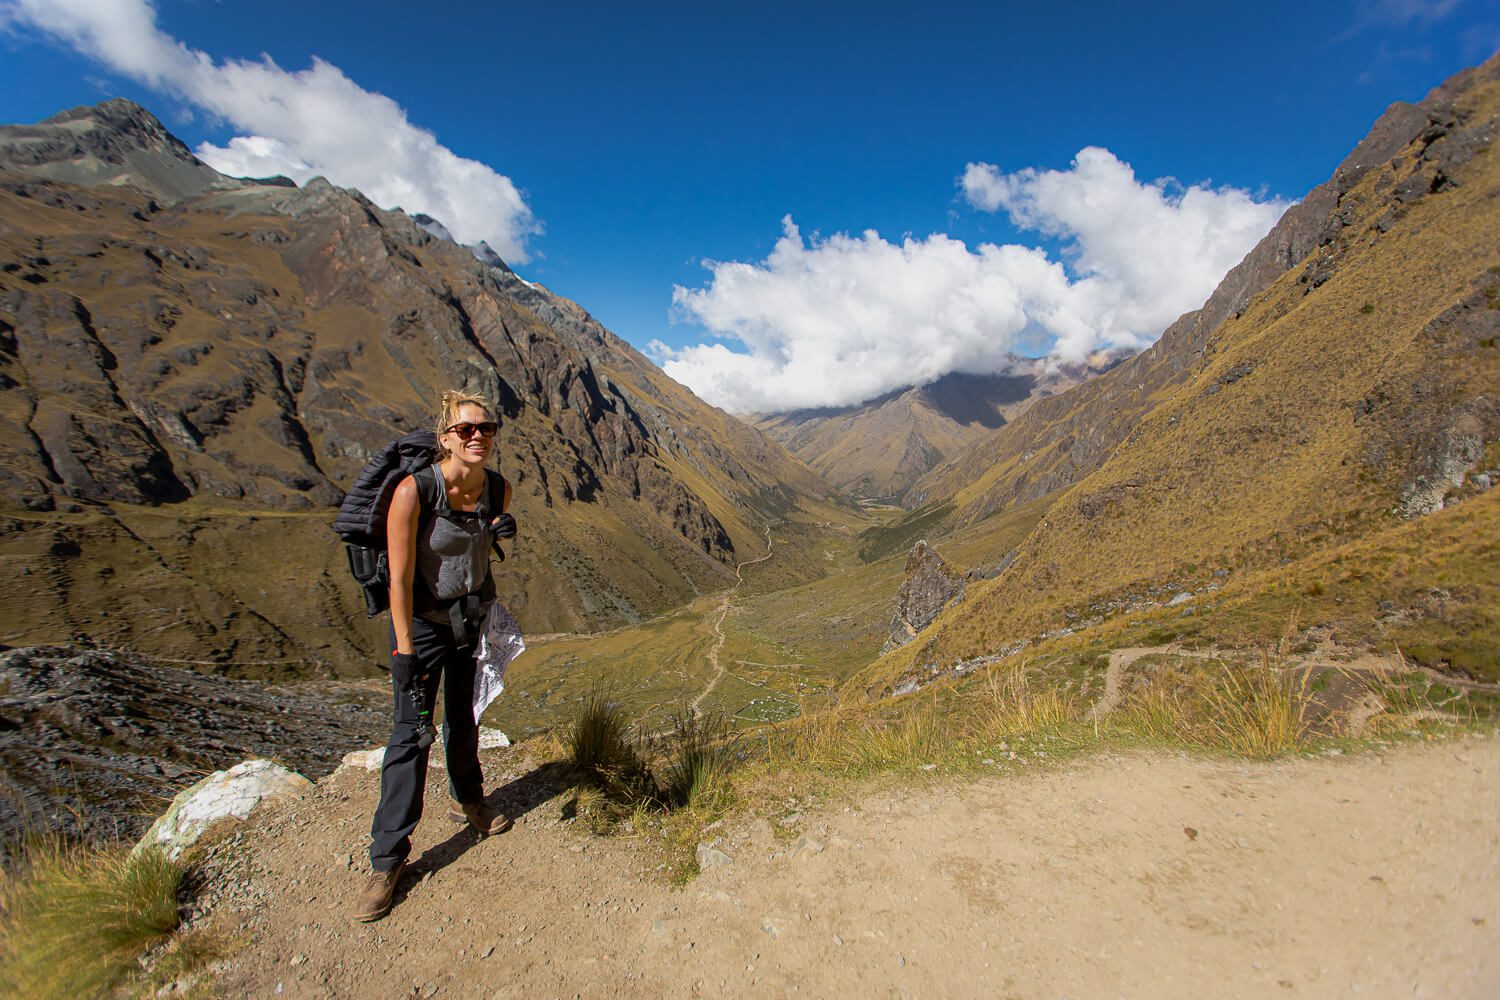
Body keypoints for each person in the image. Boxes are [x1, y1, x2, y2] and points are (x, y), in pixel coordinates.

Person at [354, 390, 517, 923]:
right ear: (444, 437)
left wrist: (495, 529)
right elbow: (399, 577)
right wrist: (403, 648)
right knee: (410, 734)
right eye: (466, 430)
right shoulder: (413, 491)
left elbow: (476, 545)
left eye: (486, 429)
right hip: (422, 629)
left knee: (464, 718)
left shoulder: (497, 487)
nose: (478, 437)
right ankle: (388, 860)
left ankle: (468, 800)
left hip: (470, 621)